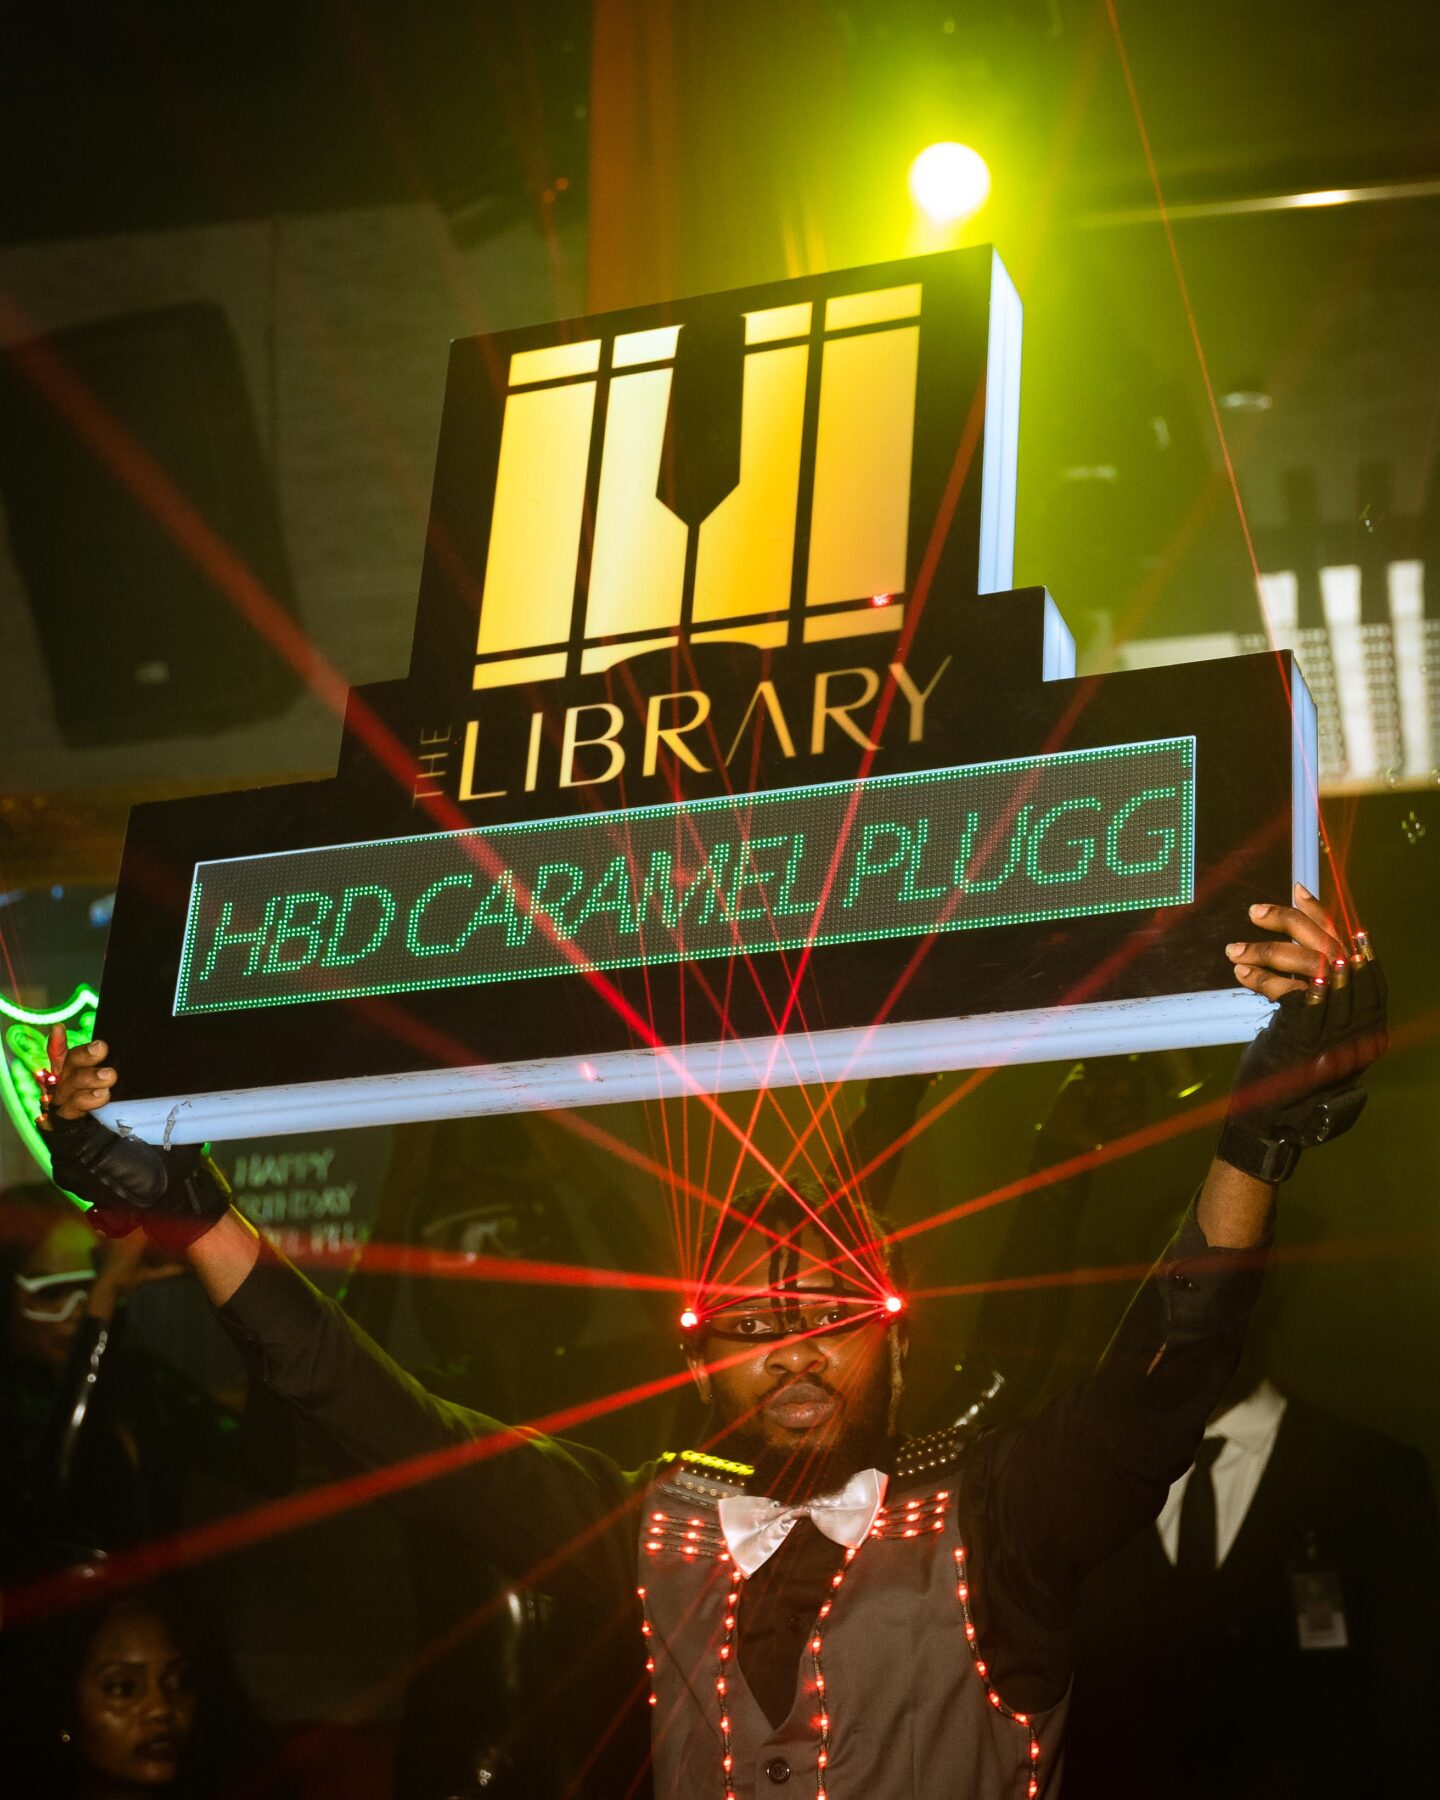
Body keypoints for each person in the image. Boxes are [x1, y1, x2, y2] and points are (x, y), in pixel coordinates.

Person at [39, 887, 1387, 1799]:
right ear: (695, 1360)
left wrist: (1255, 1138)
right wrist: (192, 1215)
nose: (793, 1350)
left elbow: (1165, 1375)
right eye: (750, 1322)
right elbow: (375, 1414)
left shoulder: (1001, 1520)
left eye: (831, 1316)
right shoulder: (648, 1534)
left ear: (899, 1340)